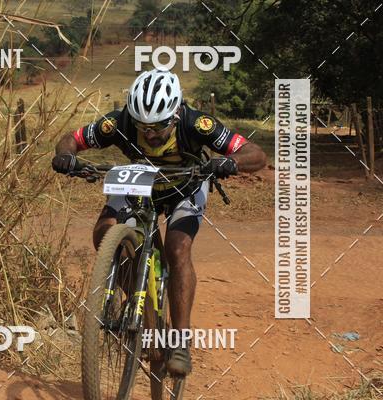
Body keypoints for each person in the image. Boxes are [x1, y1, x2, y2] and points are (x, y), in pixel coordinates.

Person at [51, 68, 267, 376]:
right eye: (143, 127)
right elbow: (71, 139)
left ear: (176, 115)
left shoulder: (197, 124)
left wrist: (231, 162)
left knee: (178, 249)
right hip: (139, 184)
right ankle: (138, 302)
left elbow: (256, 154)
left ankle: (179, 341)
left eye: (158, 126)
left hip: (186, 186)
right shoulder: (120, 122)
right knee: (103, 234)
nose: (150, 134)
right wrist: (65, 156)